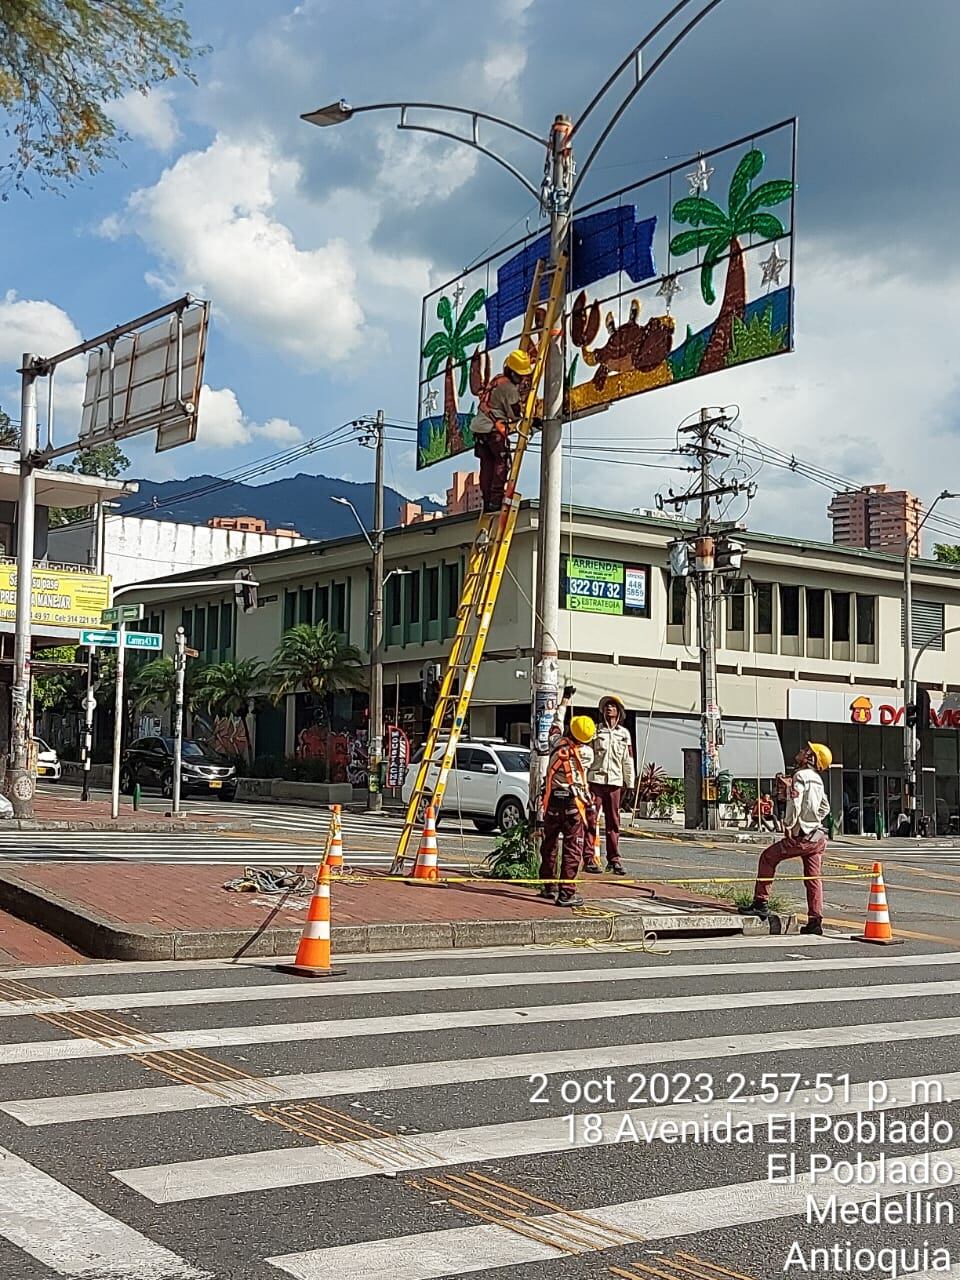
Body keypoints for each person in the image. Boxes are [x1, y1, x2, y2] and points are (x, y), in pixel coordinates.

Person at [740, 742, 832, 935]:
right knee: (813, 878)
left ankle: (760, 902)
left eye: (806, 751)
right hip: (817, 836)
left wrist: (789, 824)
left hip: (801, 836)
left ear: (810, 758)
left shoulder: (799, 776)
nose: (801, 751)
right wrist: (813, 819)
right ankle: (815, 921)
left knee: (767, 857)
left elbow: (795, 803)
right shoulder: (817, 780)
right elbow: (825, 807)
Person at [538, 688, 595, 908]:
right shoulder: (587, 754)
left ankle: (548, 886)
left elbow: (555, 725)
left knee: (549, 844)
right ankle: (566, 893)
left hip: (552, 803)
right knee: (572, 848)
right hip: (573, 805)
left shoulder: (557, 743)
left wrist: (565, 700)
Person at [470, 349, 532, 512]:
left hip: (479, 429)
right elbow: (515, 414)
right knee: (502, 462)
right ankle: (496, 499)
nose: (521, 378)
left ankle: (488, 501)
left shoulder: (498, 379)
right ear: (512, 372)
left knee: (487, 465)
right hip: (492, 430)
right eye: (519, 375)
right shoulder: (509, 389)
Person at [586, 693, 635, 875]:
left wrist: (630, 784)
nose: (609, 708)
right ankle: (589, 857)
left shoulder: (624, 735)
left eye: (612, 706)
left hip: (615, 782)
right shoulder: (595, 731)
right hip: (595, 781)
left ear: (619, 711)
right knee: (591, 819)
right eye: (606, 706)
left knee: (613, 822)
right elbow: (587, 756)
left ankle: (614, 860)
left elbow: (628, 760)